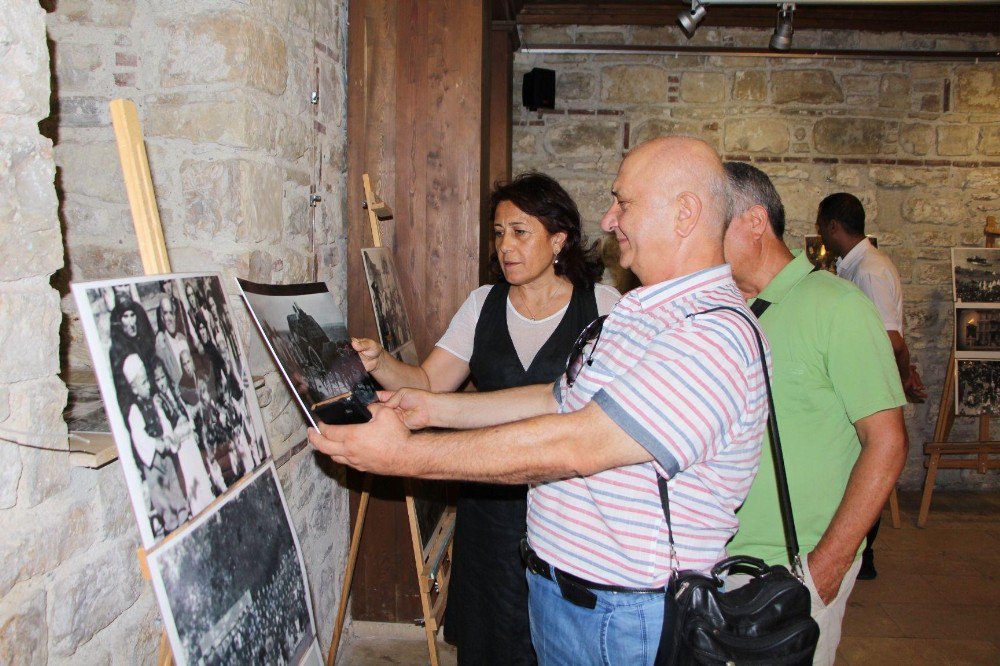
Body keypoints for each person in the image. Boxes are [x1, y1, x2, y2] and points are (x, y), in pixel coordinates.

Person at [310, 136, 770, 664]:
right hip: (574, 597)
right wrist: (432, 408)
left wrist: (405, 455)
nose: (608, 219)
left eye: (624, 202)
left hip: (623, 615)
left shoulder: (710, 335)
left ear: (684, 213)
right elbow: (558, 400)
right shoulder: (641, 314)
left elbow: (578, 443)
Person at [351, 172, 620, 666]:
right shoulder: (483, 304)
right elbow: (430, 384)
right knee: (490, 641)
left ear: (558, 239)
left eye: (521, 232)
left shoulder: (602, 308)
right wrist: (379, 363)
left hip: (569, 506)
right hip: (489, 501)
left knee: (556, 643)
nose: (506, 246)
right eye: (499, 233)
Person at [722, 162, 908, 665]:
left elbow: (887, 441)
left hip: (793, 566)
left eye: (706, 222)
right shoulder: (717, 309)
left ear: (755, 221)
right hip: (710, 558)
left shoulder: (838, 307)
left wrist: (828, 565)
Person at [816, 191, 924, 580]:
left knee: (867, 462)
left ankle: (865, 555)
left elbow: (889, 338)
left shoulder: (870, 270)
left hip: (865, 386)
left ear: (831, 226)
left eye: (821, 228)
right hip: (863, 380)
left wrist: (902, 375)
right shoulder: (857, 266)